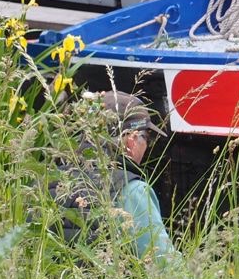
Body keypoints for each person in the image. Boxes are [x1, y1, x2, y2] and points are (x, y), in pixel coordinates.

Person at [51, 90, 180, 266]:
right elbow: (163, 264)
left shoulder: (48, 179)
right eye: (147, 139)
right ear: (132, 140)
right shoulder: (132, 191)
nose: (147, 147)